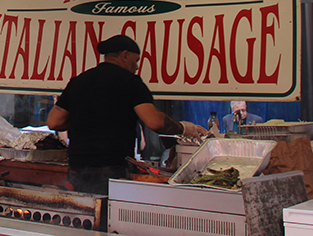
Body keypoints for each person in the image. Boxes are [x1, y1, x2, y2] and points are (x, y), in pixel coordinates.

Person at [47, 34, 207, 194]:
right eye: (136, 60)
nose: (137, 66)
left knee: (82, 214)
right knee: (109, 215)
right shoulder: (130, 82)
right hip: (112, 172)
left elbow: (54, 122)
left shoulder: (78, 81)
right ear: (125, 55)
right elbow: (155, 122)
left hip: (77, 172)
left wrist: (86, 119)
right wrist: (184, 128)